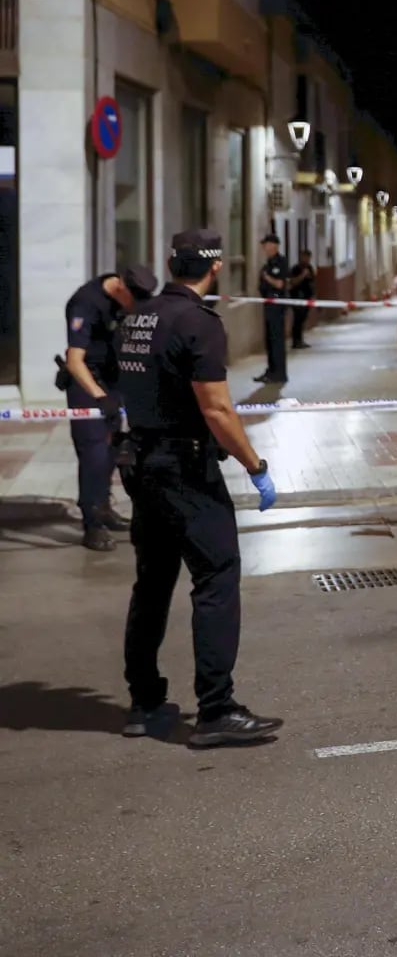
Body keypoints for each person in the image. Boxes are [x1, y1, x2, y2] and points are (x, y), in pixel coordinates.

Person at [114, 228, 285, 748]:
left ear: (172, 263)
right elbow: (216, 410)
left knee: (153, 582)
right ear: (213, 269)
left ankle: (144, 702)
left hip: (141, 464)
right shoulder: (198, 323)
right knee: (216, 576)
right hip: (185, 469)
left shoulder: (136, 317)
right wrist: (254, 463)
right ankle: (216, 709)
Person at [63, 264, 157, 551]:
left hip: (114, 377)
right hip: (86, 380)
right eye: (133, 301)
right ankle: (91, 523)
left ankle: (104, 507)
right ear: (120, 288)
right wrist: (98, 395)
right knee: (93, 450)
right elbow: (74, 360)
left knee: (114, 447)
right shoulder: (85, 303)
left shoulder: (127, 299)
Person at [254, 234, 290, 384]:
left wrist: (266, 277)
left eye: (266, 244)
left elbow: (280, 284)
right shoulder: (268, 263)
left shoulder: (281, 262)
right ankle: (271, 371)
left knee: (277, 340)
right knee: (269, 340)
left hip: (277, 305)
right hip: (269, 304)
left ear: (274, 245)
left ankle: (279, 373)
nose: (264, 248)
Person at [287, 249, 316, 350]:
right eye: (304, 257)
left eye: (308, 258)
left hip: (307, 298)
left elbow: (312, 282)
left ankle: (300, 340)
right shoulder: (295, 269)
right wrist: (303, 275)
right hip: (297, 298)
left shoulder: (310, 268)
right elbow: (293, 282)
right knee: (297, 319)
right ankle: (295, 341)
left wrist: (313, 296)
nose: (306, 259)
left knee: (302, 319)